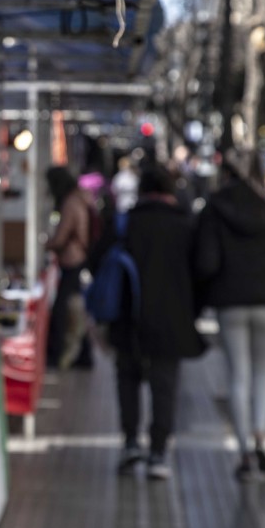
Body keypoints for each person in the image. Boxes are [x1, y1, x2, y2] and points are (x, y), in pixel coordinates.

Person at [93, 164, 202, 480]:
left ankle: (130, 442)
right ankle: (158, 453)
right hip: (171, 317)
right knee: (164, 386)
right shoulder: (185, 225)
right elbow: (202, 270)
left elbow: (97, 260)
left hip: (127, 316)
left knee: (127, 379)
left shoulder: (124, 223)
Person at [195, 150, 265, 482]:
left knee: (238, 375)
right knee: (263, 372)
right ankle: (261, 438)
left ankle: (244, 452)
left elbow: (205, 262)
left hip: (230, 301)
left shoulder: (215, 208)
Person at [44, 166, 93, 369]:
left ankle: (59, 353)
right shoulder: (79, 199)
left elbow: (62, 236)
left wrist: (47, 244)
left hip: (73, 260)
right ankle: (82, 354)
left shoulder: (70, 202)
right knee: (74, 309)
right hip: (77, 258)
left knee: (62, 309)